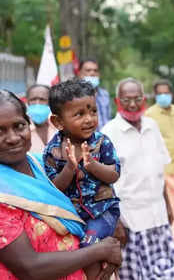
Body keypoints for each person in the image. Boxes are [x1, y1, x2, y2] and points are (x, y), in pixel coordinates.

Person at [0, 89, 122, 280]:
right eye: (0, 131)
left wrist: (112, 222)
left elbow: (94, 194)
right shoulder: (3, 193)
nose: (13, 137)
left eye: (19, 126)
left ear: (28, 124)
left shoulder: (44, 165)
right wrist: (100, 251)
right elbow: (28, 267)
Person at [102, 78, 174, 280]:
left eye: (137, 98)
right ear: (117, 101)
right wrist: (116, 222)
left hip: (158, 218)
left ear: (144, 99)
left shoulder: (152, 126)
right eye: (127, 99)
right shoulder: (109, 133)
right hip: (130, 222)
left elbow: (159, 171)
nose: (133, 104)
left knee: (168, 273)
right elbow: (104, 184)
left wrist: (169, 207)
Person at [43, 80, 121, 278]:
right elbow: (54, 188)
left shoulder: (102, 142)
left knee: (88, 247)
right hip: (72, 215)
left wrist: (92, 166)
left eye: (93, 111)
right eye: (79, 114)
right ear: (58, 122)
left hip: (102, 212)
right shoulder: (53, 150)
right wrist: (70, 168)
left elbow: (114, 174)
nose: (89, 119)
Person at [145, 79, 174, 243]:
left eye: (166, 93)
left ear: (172, 94)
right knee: (168, 204)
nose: (164, 96)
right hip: (163, 168)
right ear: (155, 95)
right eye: (160, 93)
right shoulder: (150, 114)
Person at [79, 59, 111, 130]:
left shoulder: (105, 94)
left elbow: (108, 118)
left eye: (95, 70)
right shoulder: (75, 95)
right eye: (88, 70)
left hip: (105, 138)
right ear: (80, 74)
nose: (92, 73)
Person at [26, 84, 57, 153]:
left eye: (42, 99)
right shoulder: (22, 129)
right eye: (33, 99)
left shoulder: (58, 127)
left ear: (50, 103)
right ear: (27, 102)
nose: (37, 103)